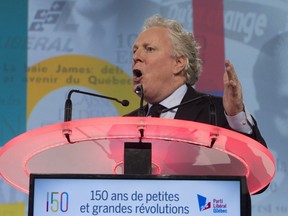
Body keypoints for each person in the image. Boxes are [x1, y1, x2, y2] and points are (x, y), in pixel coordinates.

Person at [126, 15, 266, 146]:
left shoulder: (217, 111)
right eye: (134, 50)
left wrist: (236, 115)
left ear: (178, 63)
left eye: (149, 49)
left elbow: (255, 159)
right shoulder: (125, 125)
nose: (136, 56)